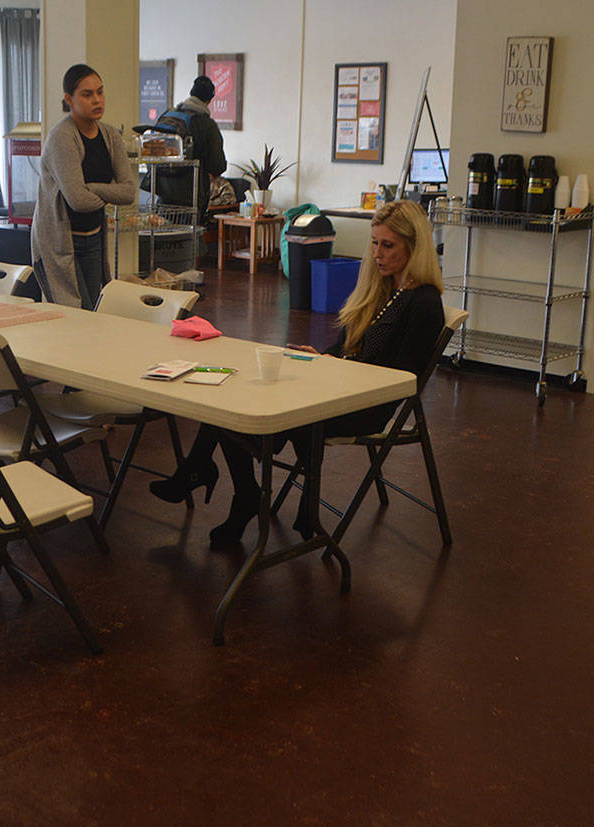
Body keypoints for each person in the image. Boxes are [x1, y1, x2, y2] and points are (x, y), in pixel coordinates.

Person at [148, 200, 447, 545]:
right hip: (340, 387)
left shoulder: (423, 303)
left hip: (366, 405)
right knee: (230, 397)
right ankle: (233, 486)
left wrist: (339, 368)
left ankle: (216, 480)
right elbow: (347, 346)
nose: (377, 253)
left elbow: (401, 379)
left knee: (244, 409)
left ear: (415, 247)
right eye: (375, 243)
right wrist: (323, 357)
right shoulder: (381, 289)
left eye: (388, 245)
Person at [32, 63, 137, 310]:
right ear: (69, 99)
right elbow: (77, 201)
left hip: (94, 237)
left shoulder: (110, 136)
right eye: (87, 94)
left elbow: (129, 192)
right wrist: (102, 192)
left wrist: (90, 187)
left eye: (100, 92)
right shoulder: (61, 137)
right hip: (59, 239)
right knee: (73, 313)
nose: (97, 100)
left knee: (93, 312)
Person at [154, 75, 227, 222]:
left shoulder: (168, 115)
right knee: (188, 240)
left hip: (162, 190)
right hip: (191, 194)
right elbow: (217, 165)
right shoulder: (207, 124)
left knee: (163, 238)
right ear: (209, 100)